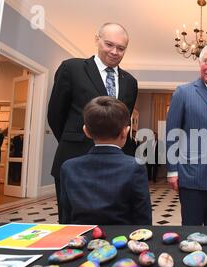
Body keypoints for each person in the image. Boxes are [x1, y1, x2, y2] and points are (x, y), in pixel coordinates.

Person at [47, 22, 138, 223]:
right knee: (73, 226)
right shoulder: (72, 68)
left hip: (116, 166)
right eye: (109, 44)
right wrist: (78, 140)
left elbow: (122, 121)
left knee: (114, 223)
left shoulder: (130, 82)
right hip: (74, 159)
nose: (115, 52)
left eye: (121, 48)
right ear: (97, 40)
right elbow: (55, 115)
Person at [166, 43, 207, 226]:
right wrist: (172, 170)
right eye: (206, 61)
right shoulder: (183, 92)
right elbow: (172, 133)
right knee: (192, 232)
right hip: (193, 176)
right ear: (200, 63)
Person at [59, 96, 152, 225]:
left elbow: (66, 215)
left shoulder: (68, 167)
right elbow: (142, 216)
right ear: (125, 132)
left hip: (81, 238)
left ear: (86, 131)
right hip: (121, 240)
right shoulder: (135, 166)